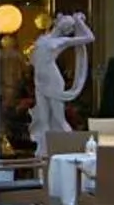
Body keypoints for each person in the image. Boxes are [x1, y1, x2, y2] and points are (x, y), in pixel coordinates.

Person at [26, 12, 94, 157]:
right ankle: (44, 152)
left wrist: (79, 21)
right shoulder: (43, 37)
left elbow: (89, 38)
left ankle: (69, 148)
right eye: (65, 21)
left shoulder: (62, 41)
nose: (66, 24)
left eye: (69, 25)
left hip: (53, 80)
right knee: (43, 119)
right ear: (58, 21)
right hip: (40, 81)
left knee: (58, 117)